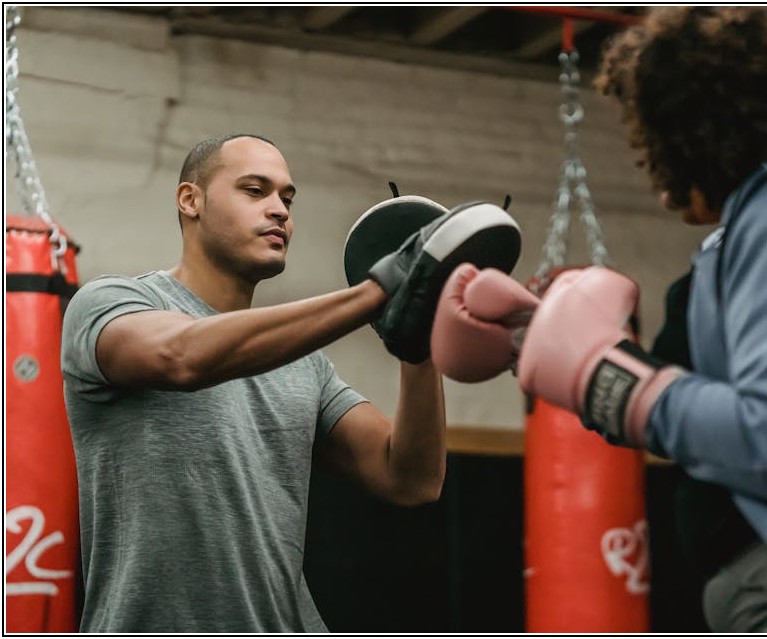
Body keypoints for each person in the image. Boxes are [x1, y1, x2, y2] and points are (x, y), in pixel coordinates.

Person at [433, 7, 767, 633]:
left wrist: (599, 374)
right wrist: (539, 338)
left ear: (698, 126)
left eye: (649, 131)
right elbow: (691, 405)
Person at [60, 133, 516, 632]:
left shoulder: (305, 366)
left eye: (287, 198)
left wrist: (419, 343)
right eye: (255, 191)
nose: (279, 209)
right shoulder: (110, 304)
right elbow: (181, 356)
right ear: (190, 200)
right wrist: (385, 286)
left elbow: (410, 479)